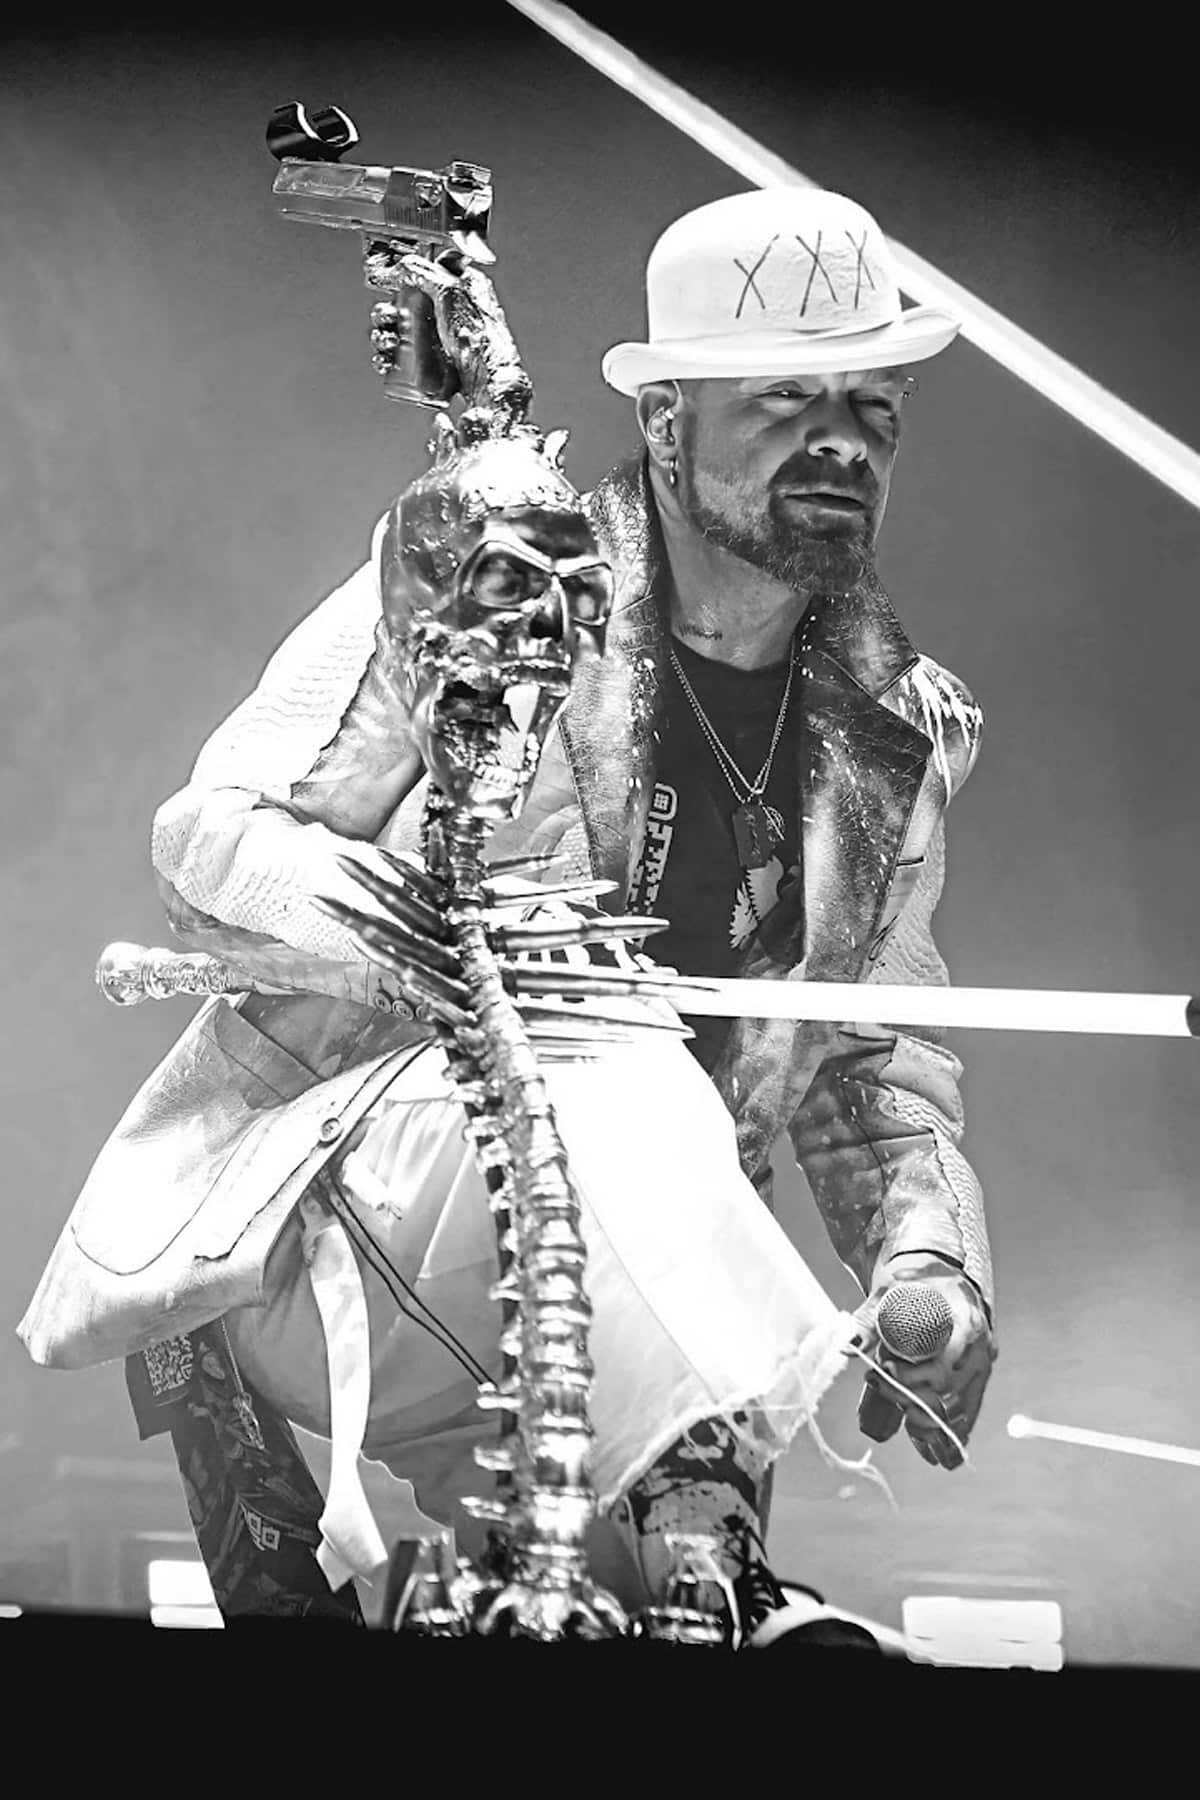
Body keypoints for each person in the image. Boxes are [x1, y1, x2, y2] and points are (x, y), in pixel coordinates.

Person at [19, 186, 996, 1642]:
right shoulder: (498, 582)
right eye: (785, 399)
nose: (843, 439)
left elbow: (868, 1073)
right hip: (332, 1204)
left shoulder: (887, 744)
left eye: (874, 406)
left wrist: (927, 1259)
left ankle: (700, 1584)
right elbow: (206, 839)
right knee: (615, 1059)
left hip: (638, 1299)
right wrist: (423, 942)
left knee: (631, 1624)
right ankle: (704, 1547)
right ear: (666, 421)